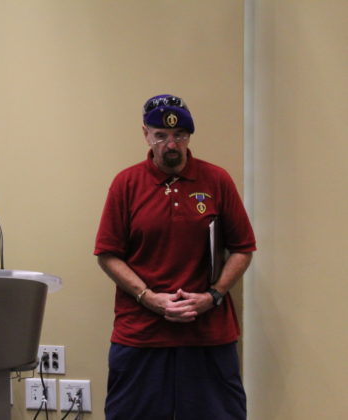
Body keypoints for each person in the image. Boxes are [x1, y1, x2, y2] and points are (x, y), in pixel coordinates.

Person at [94, 94, 256, 420]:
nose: (172, 144)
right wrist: (149, 297)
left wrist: (213, 295)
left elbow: (243, 248)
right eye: (162, 135)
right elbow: (108, 254)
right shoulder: (126, 184)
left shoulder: (217, 180)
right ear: (146, 135)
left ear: (188, 138)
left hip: (208, 333)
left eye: (180, 136)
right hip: (141, 333)